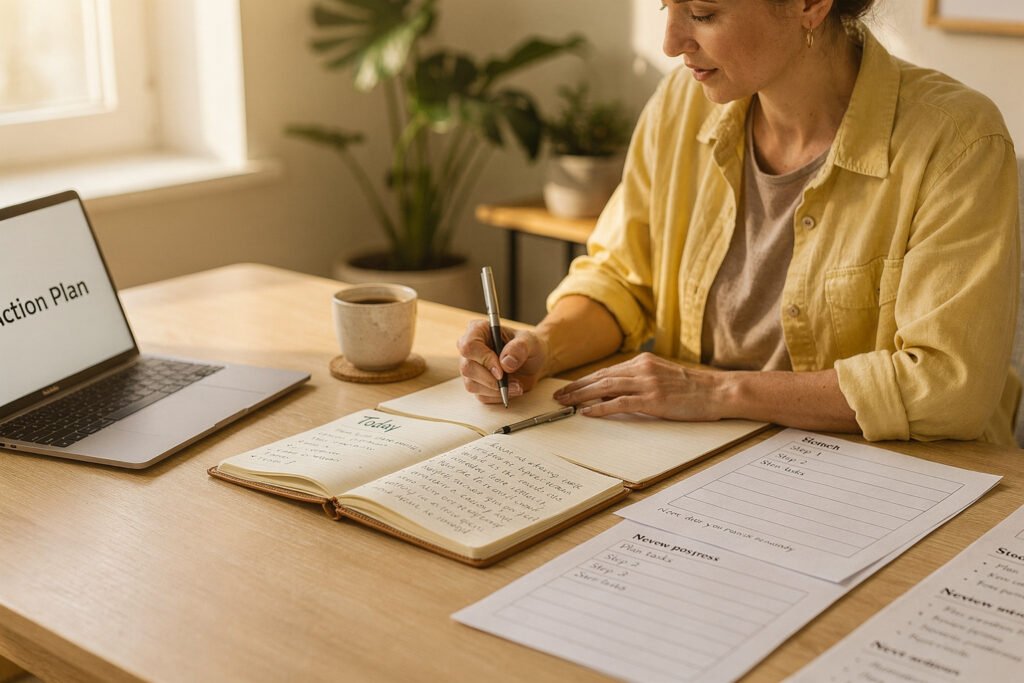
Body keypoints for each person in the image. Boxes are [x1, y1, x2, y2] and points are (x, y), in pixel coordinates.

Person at [458, 0, 1021, 445]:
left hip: (898, 482)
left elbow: (948, 385)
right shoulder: (681, 104)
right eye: (666, 7)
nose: (671, 42)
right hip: (702, 463)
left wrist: (718, 392)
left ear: (809, 5)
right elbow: (621, 279)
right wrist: (541, 348)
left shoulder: (957, 141)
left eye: (703, 13)